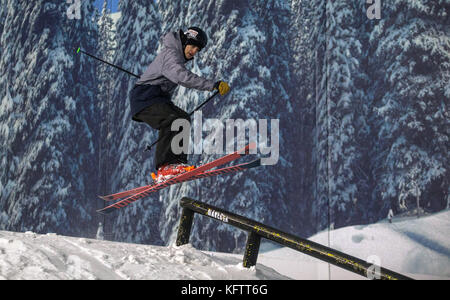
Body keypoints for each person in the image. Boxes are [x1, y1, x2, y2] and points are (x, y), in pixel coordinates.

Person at [129, 27, 230, 183]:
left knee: (181, 119)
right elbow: (182, 76)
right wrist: (212, 85)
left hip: (154, 97)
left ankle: (176, 163)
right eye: (193, 45)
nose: (195, 51)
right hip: (144, 98)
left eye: (198, 49)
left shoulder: (175, 56)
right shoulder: (171, 54)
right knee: (173, 119)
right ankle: (166, 167)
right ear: (185, 42)